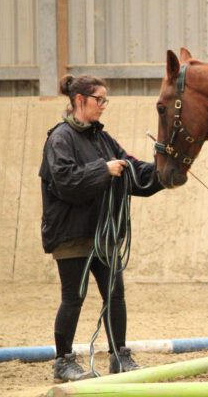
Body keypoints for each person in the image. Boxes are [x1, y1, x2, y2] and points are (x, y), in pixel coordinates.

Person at [39, 74, 163, 382]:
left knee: (115, 295)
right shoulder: (60, 139)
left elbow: (131, 168)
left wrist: (164, 171)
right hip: (70, 234)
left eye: (105, 100)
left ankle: (119, 356)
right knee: (73, 297)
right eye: (100, 100)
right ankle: (63, 361)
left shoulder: (102, 138)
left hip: (102, 233)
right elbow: (66, 182)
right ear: (80, 100)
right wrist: (103, 170)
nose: (104, 106)